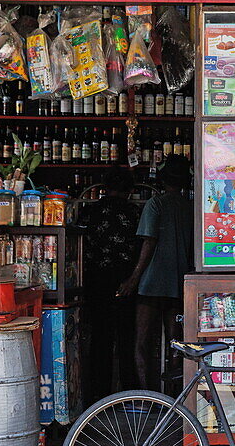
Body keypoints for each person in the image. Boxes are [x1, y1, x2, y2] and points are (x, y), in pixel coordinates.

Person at [119, 154, 194, 391]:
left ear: (162, 179)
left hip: (151, 283)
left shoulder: (155, 204)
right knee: (176, 342)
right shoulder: (191, 207)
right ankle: (173, 396)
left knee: (142, 341)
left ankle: (146, 396)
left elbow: (149, 242)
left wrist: (133, 278)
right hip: (179, 283)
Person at [79, 167, 141, 404]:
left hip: (96, 279)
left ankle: (99, 394)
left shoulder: (91, 211)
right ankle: (129, 393)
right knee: (126, 337)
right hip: (126, 280)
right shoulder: (134, 212)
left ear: (104, 188)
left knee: (100, 337)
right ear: (130, 190)